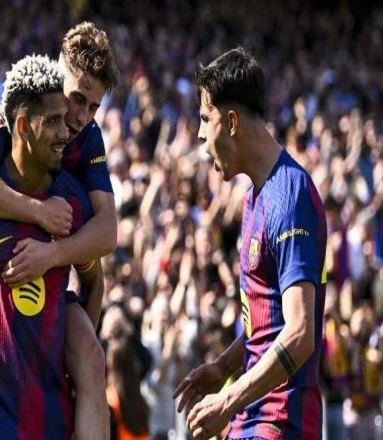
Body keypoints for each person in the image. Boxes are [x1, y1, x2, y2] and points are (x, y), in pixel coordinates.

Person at [0, 22, 118, 440]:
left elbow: (107, 232)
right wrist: (39, 212)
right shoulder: (11, 99)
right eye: (77, 99)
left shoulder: (88, 138)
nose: (81, 118)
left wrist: (52, 254)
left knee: (90, 355)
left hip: (48, 276)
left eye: (94, 107)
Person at [173, 48, 327, 439]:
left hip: (282, 421)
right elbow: (268, 323)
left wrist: (228, 399)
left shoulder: (290, 197)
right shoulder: (254, 197)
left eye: (205, 119)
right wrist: (225, 366)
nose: (201, 135)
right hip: (253, 416)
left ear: (231, 122)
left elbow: (300, 333)